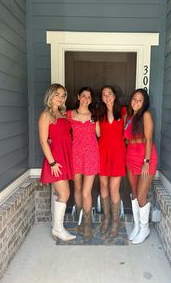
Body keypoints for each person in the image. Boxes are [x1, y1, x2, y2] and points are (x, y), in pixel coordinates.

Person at [39, 83, 76, 242]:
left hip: (65, 156)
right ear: (50, 96)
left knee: (59, 193)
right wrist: (53, 163)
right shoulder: (45, 115)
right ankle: (58, 229)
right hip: (55, 160)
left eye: (63, 95)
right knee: (65, 193)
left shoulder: (63, 114)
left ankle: (57, 228)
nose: (60, 98)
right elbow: (43, 141)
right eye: (57, 94)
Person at [124, 89, 158, 244]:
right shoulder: (130, 117)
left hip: (144, 158)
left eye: (140, 100)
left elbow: (149, 139)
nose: (136, 102)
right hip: (130, 156)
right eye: (134, 99)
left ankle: (145, 228)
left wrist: (147, 161)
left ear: (144, 103)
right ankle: (137, 226)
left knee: (141, 194)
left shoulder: (146, 115)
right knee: (134, 193)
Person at [67, 87, 100, 242]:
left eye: (89, 97)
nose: (86, 99)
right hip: (75, 155)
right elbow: (61, 131)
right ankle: (80, 221)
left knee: (86, 192)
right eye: (84, 96)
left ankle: (87, 225)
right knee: (77, 188)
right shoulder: (69, 114)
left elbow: (100, 135)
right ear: (79, 97)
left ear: (91, 100)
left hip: (91, 155)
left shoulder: (94, 117)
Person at [98, 85, 127, 237]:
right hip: (102, 152)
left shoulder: (123, 112)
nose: (107, 96)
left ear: (115, 96)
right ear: (101, 98)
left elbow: (130, 130)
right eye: (104, 94)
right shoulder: (99, 113)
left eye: (109, 94)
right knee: (103, 185)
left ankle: (116, 222)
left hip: (117, 153)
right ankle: (106, 218)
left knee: (113, 188)